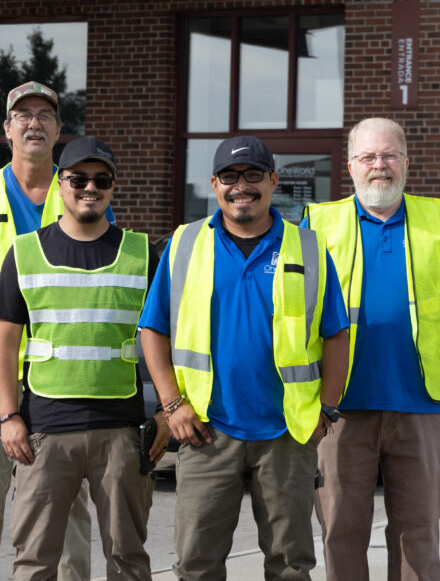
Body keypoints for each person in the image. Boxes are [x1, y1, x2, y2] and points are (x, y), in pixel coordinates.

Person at [138, 135, 351, 581]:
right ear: (214, 184)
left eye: (253, 175)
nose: (242, 186)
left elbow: (336, 334)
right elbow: (152, 329)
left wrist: (327, 408)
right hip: (205, 432)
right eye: (230, 177)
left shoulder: (309, 248)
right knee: (196, 565)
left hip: (287, 436)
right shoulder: (184, 245)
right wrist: (172, 405)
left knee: (291, 567)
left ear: (273, 181)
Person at [302, 117, 440, 581]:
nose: (378, 166)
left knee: (418, 533)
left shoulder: (437, 218)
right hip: (338, 409)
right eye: (368, 157)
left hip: (419, 406)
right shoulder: (315, 223)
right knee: (340, 531)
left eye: (388, 156)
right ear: (350, 166)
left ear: (406, 162)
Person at [0, 136, 168, 581]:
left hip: (122, 432)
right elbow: (5, 343)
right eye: (78, 178)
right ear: (60, 181)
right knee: (33, 561)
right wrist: (10, 415)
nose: (90, 187)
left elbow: (167, 336)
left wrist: (168, 410)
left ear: (112, 187)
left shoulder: (142, 253)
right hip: (45, 432)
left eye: (101, 180)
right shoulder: (26, 252)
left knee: (128, 559)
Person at [0, 81, 92, 581]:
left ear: (58, 131)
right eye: (22, 115)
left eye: (44, 115)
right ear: (7, 130)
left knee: (67, 501)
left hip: (63, 373)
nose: (34, 123)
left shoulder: (83, 192)